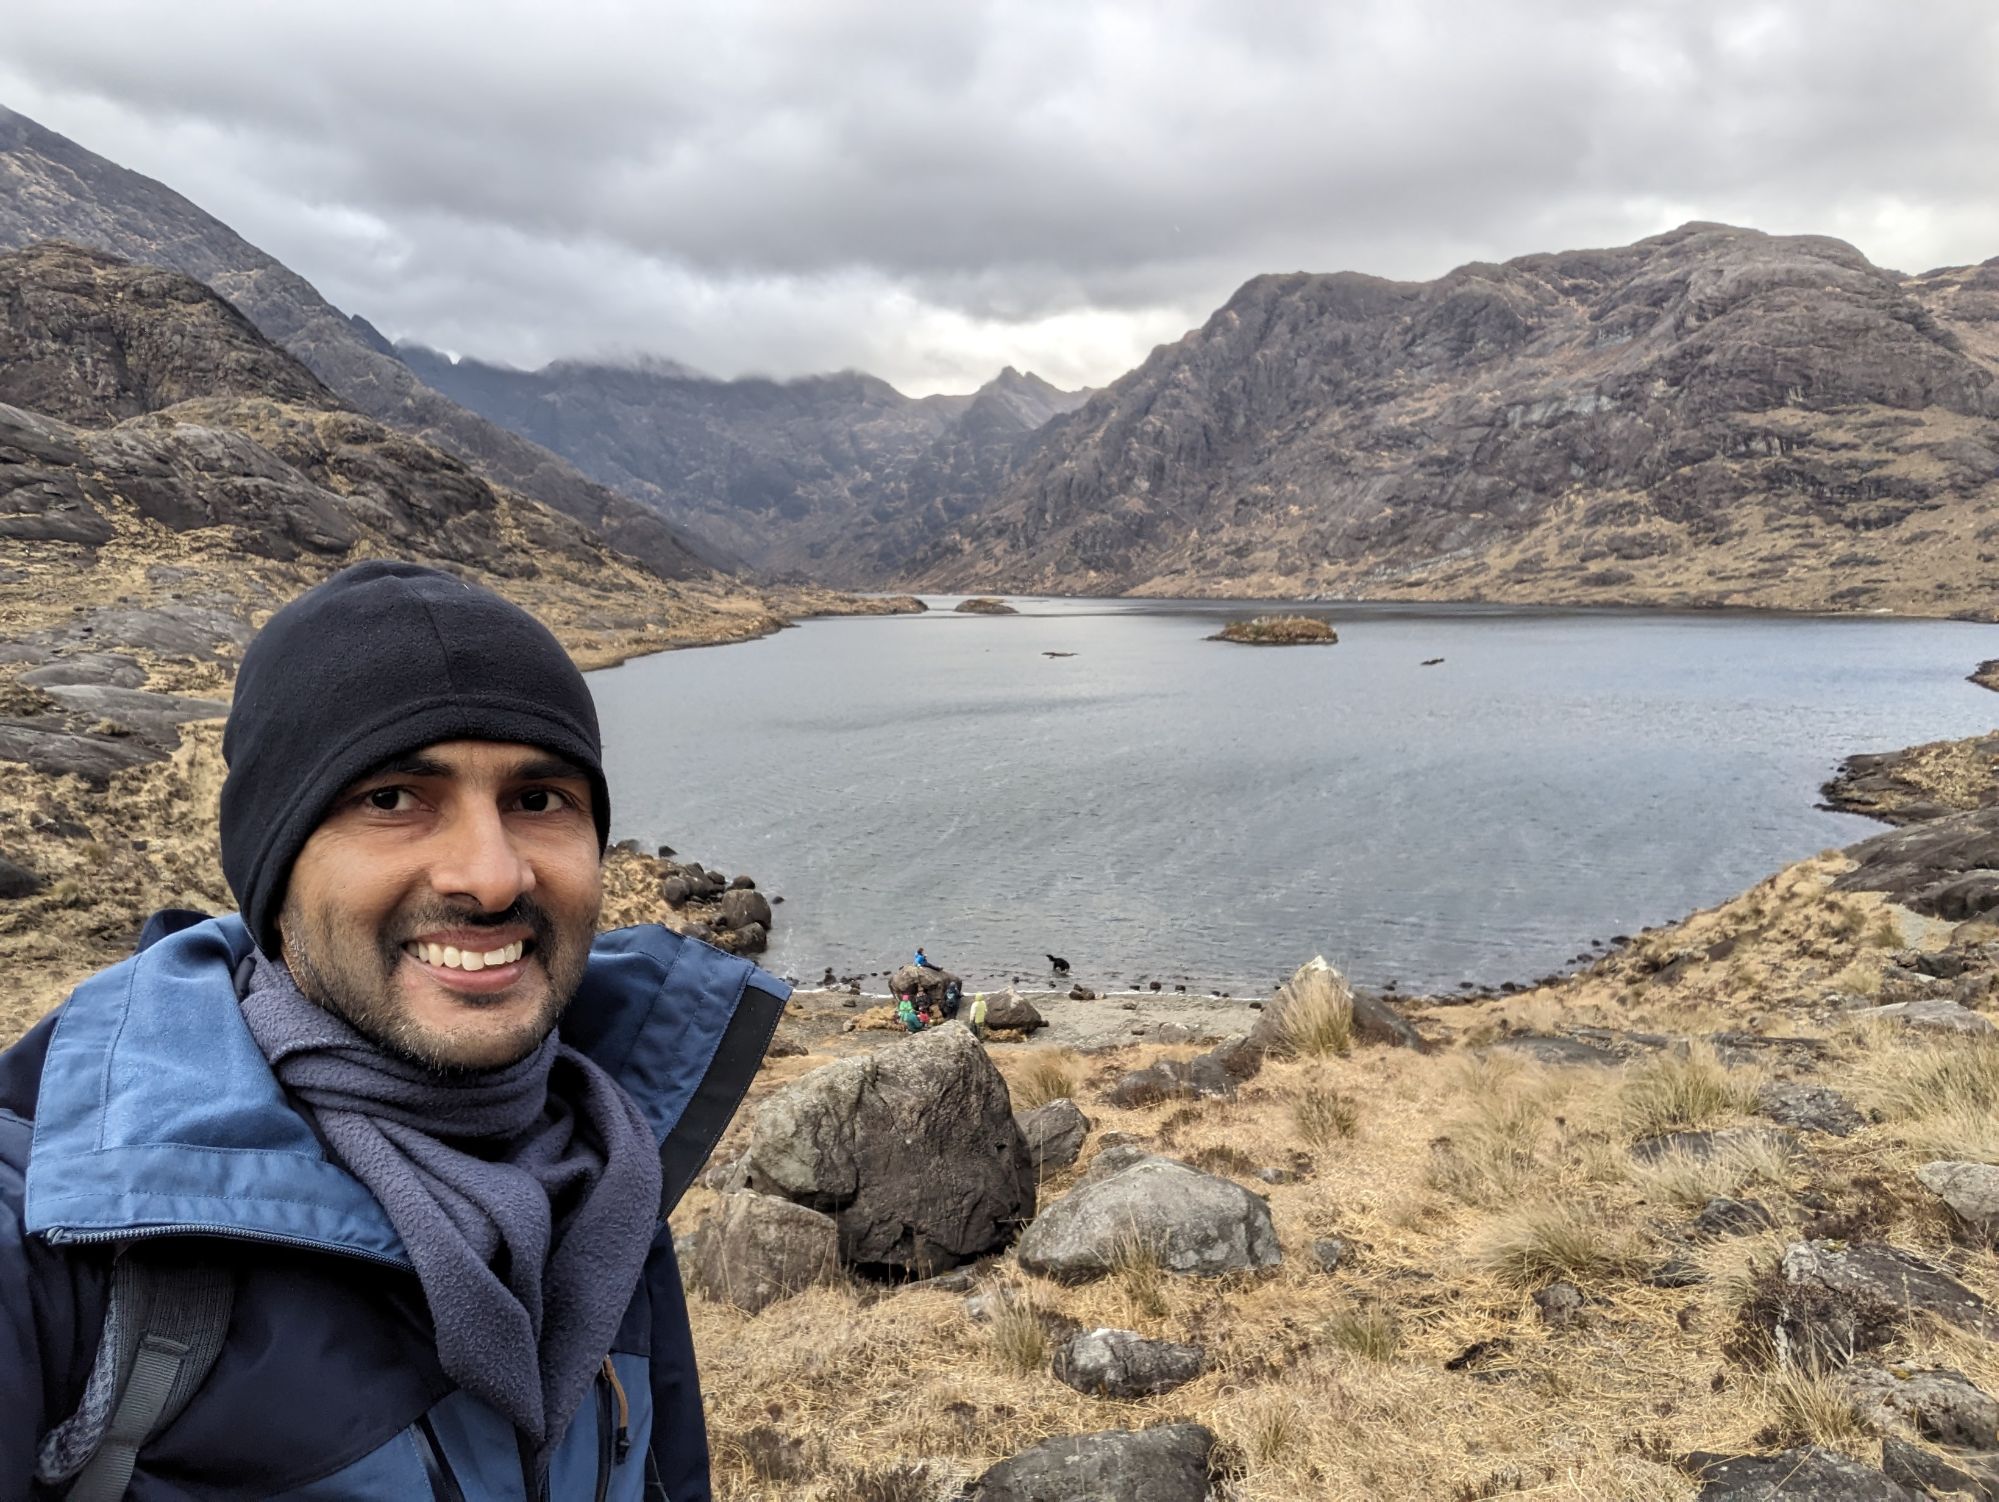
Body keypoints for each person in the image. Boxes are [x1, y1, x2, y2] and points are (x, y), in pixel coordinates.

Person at [0, 561, 787, 1500]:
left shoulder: (605, 1166)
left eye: (538, 799)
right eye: (392, 798)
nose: (491, 877)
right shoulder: (58, 1239)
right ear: (273, 868)